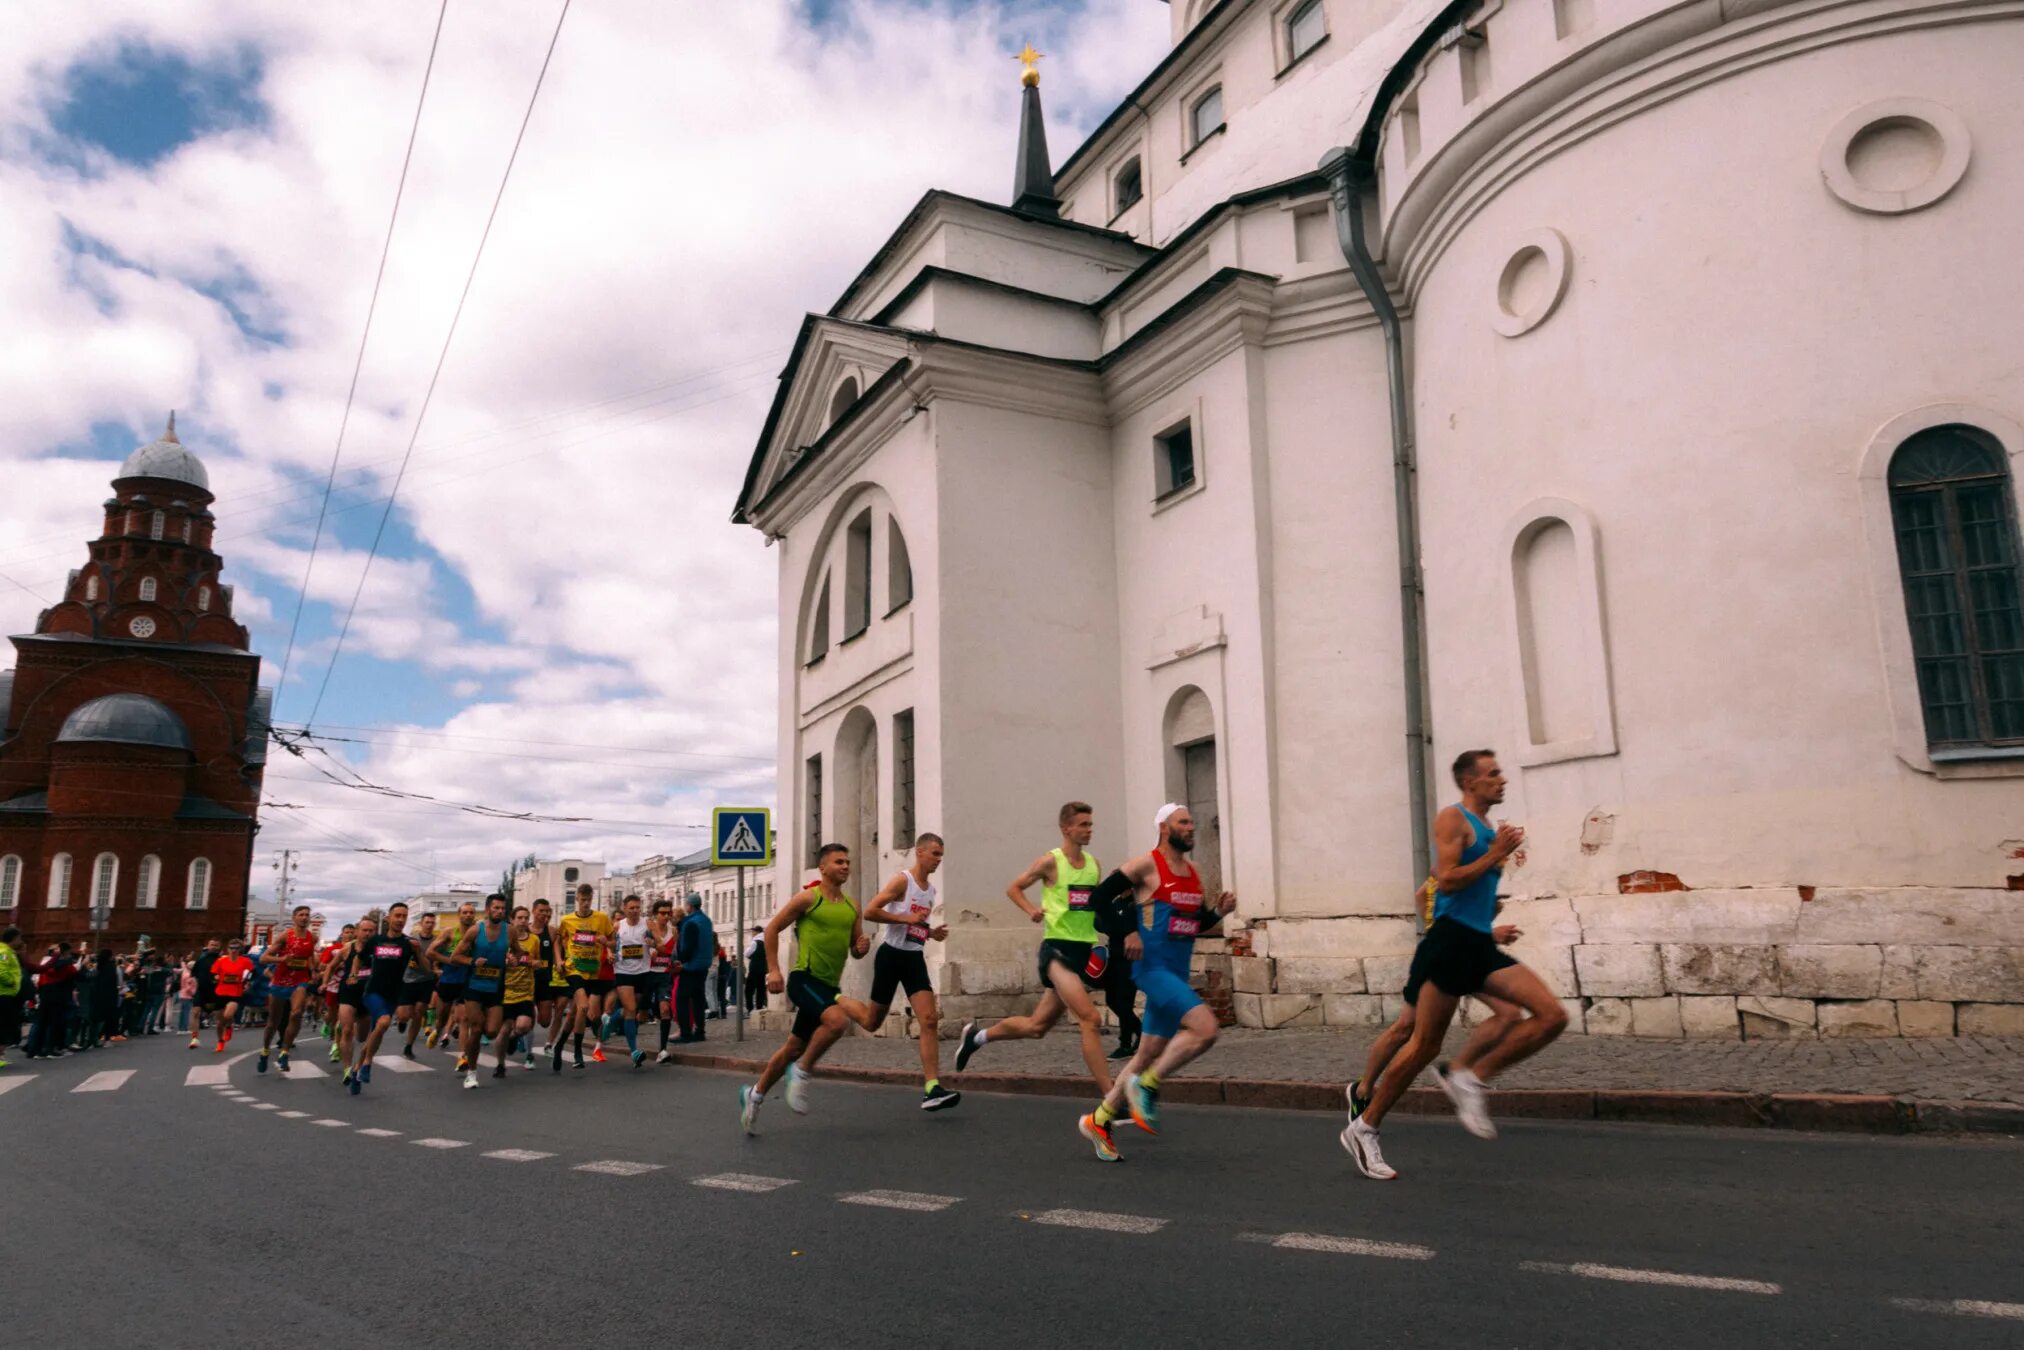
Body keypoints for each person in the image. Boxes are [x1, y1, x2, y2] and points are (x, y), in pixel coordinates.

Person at [1342, 750, 1569, 1182]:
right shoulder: (1454, 818)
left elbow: (1471, 891)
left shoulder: (1487, 828)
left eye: (1500, 772)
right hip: (1447, 944)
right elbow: (1445, 880)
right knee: (1422, 1045)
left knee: (1551, 1016)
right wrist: (1494, 855)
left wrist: (1492, 912)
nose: (1502, 779)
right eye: (1492, 774)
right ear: (1470, 782)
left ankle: (1469, 1075)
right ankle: (1364, 1126)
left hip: (1477, 943)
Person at [1078, 805, 1234, 1163]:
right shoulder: (1145, 865)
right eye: (1184, 822)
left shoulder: (1193, 873)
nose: (1192, 828)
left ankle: (1099, 1121)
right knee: (1206, 1029)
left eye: (1193, 822)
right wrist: (1128, 930)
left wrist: (1218, 914)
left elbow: (1189, 925)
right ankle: (1146, 1084)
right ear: (1164, 828)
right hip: (1152, 969)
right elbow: (1099, 899)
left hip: (1176, 972)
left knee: (1146, 1053)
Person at [956, 801, 1114, 1095]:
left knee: (1037, 1027)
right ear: (1066, 828)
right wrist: (1031, 909)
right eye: (1083, 824)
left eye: (1091, 824)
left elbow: (1093, 905)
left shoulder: (1094, 865)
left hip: (1082, 950)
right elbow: (1014, 888)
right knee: (1090, 1019)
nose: (1089, 830)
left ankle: (977, 1038)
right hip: (1056, 951)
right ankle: (1112, 1097)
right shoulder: (1050, 862)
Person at [1346, 875, 1525, 1123]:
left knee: (1510, 1014)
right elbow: (1432, 902)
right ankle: (1363, 1089)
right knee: (1405, 1028)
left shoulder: (1485, 873)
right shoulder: (1459, 864)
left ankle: (1457, 1070)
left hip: (1469, 959)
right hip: (1441, 961)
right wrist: (1488, 935)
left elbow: (1437, 902)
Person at [738, 843, 872, 1134]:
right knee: (838, 1021)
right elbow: (771, 929)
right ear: (822, 868)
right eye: (839, 862)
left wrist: (862, 947)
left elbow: (855, 949)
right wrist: (774, 970)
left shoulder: (852, 907)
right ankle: (801, 1071)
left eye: (848, 862)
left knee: (792, 1047)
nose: (846, 866)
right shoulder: (809, 899)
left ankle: (755, 1094)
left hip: (827, 984)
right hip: (804, 978)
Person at [859, 832, 959, 1111]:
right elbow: (870, 911)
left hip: (913, 958)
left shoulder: (930, 891)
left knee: (928, 1019)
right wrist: (905, 918)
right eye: (935, 854)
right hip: (890, 956)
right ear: (920, 852)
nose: (939, 860)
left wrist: (929, 932)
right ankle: (839, 1004)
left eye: (941, 855)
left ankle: (932, 1088)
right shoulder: (903, 880)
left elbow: (914, 925)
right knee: (871, 1021)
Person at [351, 905, 424, 1094]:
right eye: (397, 915)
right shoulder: (376, 940)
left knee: (376, 1033)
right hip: (373, 991)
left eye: (404, 916)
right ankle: (367, 1064)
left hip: (393, 994)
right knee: (383, 1023)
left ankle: (356, 1069)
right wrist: (353, 974)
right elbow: (358, 958)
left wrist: (418, 952)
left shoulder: (409, 943)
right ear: (389, 918)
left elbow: (426, 968)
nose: (401, 919)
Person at [451, 894, 512, 1089]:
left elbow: (518, 952)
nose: (500, 912)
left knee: (492, 1031)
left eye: (503, 908)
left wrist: (514, 959)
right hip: (474, 986)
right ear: (487, 910)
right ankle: (471, 1072)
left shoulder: (509, 931)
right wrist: (472, 962)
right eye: (496, 908)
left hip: (495, 986)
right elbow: (455, 956)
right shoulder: (476, 930)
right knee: (476, 1029)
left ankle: (471, 1051)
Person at [554, 884, 612, 1071]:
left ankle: (559, 1047)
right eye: (583, 900)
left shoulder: (601, 919)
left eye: (589, 900)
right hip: (574, 969)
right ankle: (578, 1052)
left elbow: (613, 940)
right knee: (584, 1006)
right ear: (577, 899)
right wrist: (558, 960)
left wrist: (607, 943)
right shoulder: (567, 920)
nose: (586, 903)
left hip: (593, 970)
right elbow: (557, 940)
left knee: (574, 1015)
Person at [259, 906, 320, 1073]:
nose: (304, 917)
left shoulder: (312, 937)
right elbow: (264, 958)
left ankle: (285, 1052)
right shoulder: (286, 935)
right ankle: (264, 1051)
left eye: (307, 915)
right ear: (294, 918)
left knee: (296, 1013)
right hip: (280, 981)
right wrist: (282, 959)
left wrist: (314, 970)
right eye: (301, 915)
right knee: (273, 1022)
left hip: (299, 981)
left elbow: (309, 955)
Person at [495, 906, 541, 1078]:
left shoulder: (534, 940)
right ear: (512, 920)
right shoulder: (503, 941)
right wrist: (505, 962)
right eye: (519, 917)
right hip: (506, 992)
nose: (523, 921)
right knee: (503, 1030)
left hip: (525, 992)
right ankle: (500, 1065)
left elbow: (538, 960)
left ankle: (515, 1037)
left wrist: (535, 963)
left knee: (523, 1025)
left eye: (525, 918)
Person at [610, 894, 655, 1068]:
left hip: (642, 972)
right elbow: (609, 945)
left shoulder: (647, 924)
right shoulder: (617, 926)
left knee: (631, 1010)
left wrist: (652, 944)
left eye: (637, 907)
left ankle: (610, 1021)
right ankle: (634, 1051)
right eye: (631, 908)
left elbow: (657, 943)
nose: (635, 911)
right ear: (625, 908)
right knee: (631, 1008)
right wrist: (609, 954)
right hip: (623, 971)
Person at [333, 916, 378, 1091]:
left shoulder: (378, 949)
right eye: (364, 930)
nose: (367, 934)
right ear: (357, 931)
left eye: (371, 931)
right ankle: (347, 1068)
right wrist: (324, 982)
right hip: (348, 993)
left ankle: (358, 1062)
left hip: (367, 995)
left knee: (361, 1037)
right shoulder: (347, 948)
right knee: (346, 1030)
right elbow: (331, 966)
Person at [427, 900, 478, 1052]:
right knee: (442, 1018)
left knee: (464, 1019)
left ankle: (463, 1057)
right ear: (459, 915)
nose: (468, 915)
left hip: (467, 981)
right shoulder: (450, 933)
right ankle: (437, 1030)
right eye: (465, 912)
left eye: (471, 913)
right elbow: (430, 952)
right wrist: (450, 960)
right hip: (449, 980)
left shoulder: (478, 934)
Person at [531, 899, 570, 1066]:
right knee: (525, 1014)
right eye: (542, 911)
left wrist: (559, 962)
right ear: (534, 911)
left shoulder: (553, 932)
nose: (546, 914)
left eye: (548, 911)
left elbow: (556, 950)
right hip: (526, 979)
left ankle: (548, 1042)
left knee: (546, 1020)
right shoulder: (524, 929)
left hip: (549, 978)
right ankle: (523, 1036)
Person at [25, 944, 79, 1059]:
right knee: (54, 1023)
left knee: (41, 1023)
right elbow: (75, 973)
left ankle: (35, 1050)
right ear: (64, 952)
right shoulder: (64, 964)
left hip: (45, 993)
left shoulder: (46, 962)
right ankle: (50, 1050)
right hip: (58, 994)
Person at [675, 894, 715, 1043]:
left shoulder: (690, 923)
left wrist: (681, 960)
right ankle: (700, 1031)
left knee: (682, 999)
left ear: (689, 906)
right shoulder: (706, 921)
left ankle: (685, 1033)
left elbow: (689, 947)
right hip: (704, 965)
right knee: (698, 998)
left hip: (691, 966)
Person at [398, 912, 438, 1059]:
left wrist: (438, 969)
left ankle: (409, 1045)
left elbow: (438, 958)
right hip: (408, 979)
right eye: (427, 922)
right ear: (421, 924)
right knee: (404, 1015)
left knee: (418, 1012)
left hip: (426, 980)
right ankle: (402, 1021)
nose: (429, 925)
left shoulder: (436, 941)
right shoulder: (411, 939)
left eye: (432, 923)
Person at [206, 938, 256, 1053]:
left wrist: (247, 982)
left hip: (235, 993)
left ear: (240, 950)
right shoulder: (221, 961)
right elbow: (212, 974)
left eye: (236, 948)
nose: (233, 950)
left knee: (228, 1015)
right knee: (219, 1022)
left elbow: (252, 973)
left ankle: (229, 1026)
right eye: (231, 948)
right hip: (220, 992)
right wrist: (215, 977)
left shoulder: (245, 961)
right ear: (227, 949)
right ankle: (220, 1041)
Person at [647, 898, 678, 1062]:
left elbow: (674, 953)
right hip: (647, 974)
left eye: (668, 913)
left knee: (665, 1009)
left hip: (664, 975)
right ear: (655, 914)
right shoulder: (648, 929)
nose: (666, 916)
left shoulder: (674, 932)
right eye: (662, 913)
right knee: (641, 1013)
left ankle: (663, 1050)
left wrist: (675, 962)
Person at [189, 938, 223, 1048]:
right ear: (208, 946)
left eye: (216, 945)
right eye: (211, 944)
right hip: (202, 990)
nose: (213, 947)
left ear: (219, 947)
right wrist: (192, 987)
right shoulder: (201, 960)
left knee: (219, 1017)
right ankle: (194, 1038)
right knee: (195, 1012)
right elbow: (193, 974)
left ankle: (220, 1040)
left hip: (216, 991)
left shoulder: (222, 961)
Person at [0, 927, 24, 1066]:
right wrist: (11, 982)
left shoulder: (8, 951)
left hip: (7, 993)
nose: (20, 941)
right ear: (13, 939)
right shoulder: (4, 952)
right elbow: (1, 970)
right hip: (3, 993)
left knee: (5, 1026)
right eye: (19, 938)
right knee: (3, 1026)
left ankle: (1, 1055)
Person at [744, 928, 767, 1013]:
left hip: (754, 969)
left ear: (757, 932)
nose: (752, 933)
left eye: (753, 932)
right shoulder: (766, 942)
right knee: (761, 989)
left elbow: (747, 953)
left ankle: (750, 1008)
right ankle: (759, 1007)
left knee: (749, 990)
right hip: (764, 968)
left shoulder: (755, 942)